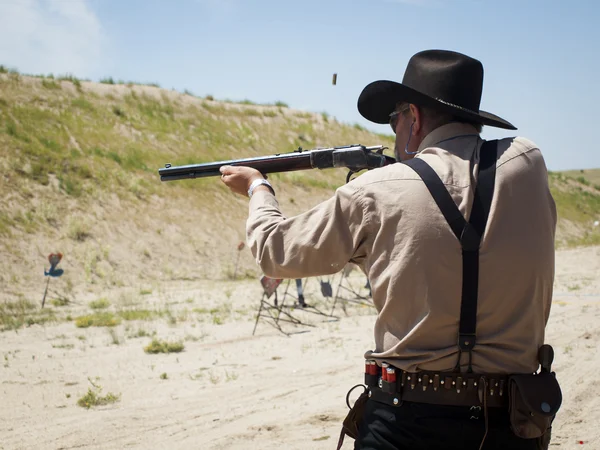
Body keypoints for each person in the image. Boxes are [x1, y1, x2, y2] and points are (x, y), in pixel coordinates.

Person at [219, 50, 558, 450]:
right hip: (512, 423)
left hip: (406, 418)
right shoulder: (528, 163)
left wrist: (259, 188)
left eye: (394, 118)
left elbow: (275, 251)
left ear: (413, 118)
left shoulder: (375, 192)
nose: (393, 128)